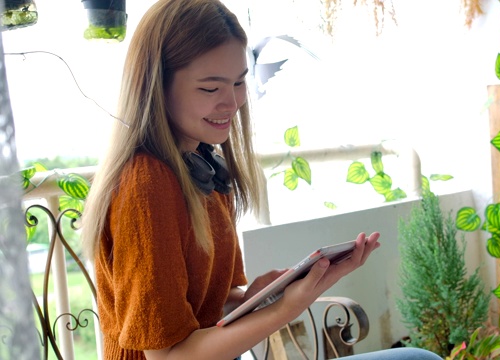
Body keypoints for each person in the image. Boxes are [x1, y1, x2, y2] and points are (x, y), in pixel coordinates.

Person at [81, 1, 443, 359]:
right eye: (210, 88)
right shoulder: (145, 185)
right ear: (155, 86)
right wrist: (283, 310)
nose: (232, 102)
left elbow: (210, 310)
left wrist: (260, 296)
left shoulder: (203, 165)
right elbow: (167, 356)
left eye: (239, 82)